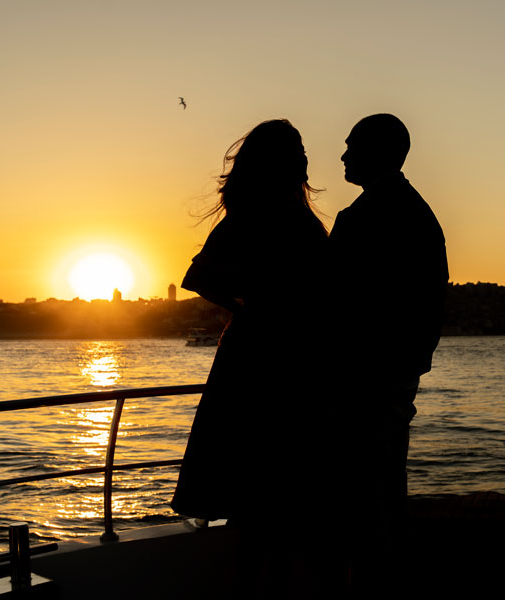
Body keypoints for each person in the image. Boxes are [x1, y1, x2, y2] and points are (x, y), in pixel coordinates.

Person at [169, 119, 333, 594]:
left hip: (259, 357)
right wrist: (257, 306)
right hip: (279, 363)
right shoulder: (271, 213)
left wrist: (247, 306)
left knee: (262, 493)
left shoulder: (254, 212)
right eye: (298, 148)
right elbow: (198, 276)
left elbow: (201, 276)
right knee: (275, 492)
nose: (306, 156)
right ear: (281, 159)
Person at [328, 113, 448, 593]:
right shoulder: (417, 213)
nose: (342, 154)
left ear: (376, 151)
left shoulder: (365, 217)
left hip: (362, 382)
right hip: (394, 378)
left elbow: (331, 300)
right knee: (384, 492)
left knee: (364, 502)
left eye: (350, 145)